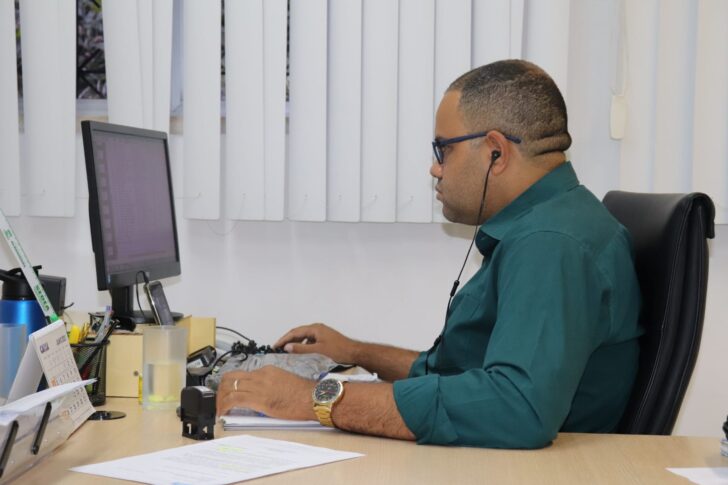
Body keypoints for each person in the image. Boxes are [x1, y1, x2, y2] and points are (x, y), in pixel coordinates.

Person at [216, 59, 642, 449]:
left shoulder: (551, 243)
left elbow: (516, 408)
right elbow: (458, 376)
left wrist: (316, 398)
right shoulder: (548, 223)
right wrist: (355, 352)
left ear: (495, 151)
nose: (435, 168)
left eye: (444, 149)